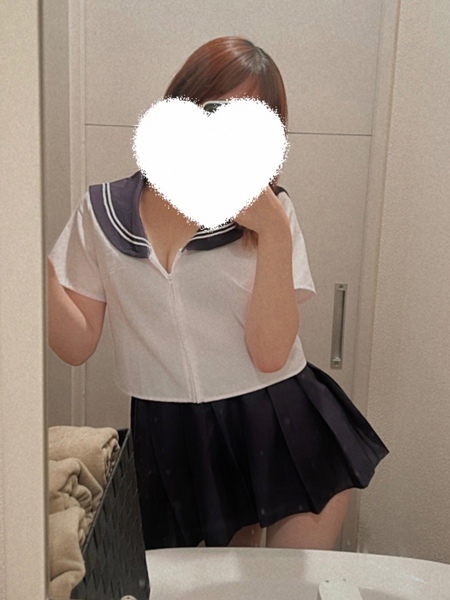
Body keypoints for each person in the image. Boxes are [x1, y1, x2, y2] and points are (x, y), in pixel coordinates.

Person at [48, 36, 388, 550]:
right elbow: (74, 346)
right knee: (202, 582)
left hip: (280, 422)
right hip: (171, 433)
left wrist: (273, 230)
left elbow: (270, 354)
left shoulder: (269, 212)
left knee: (282, 586)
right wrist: (30, 269)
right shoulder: (102, 212)